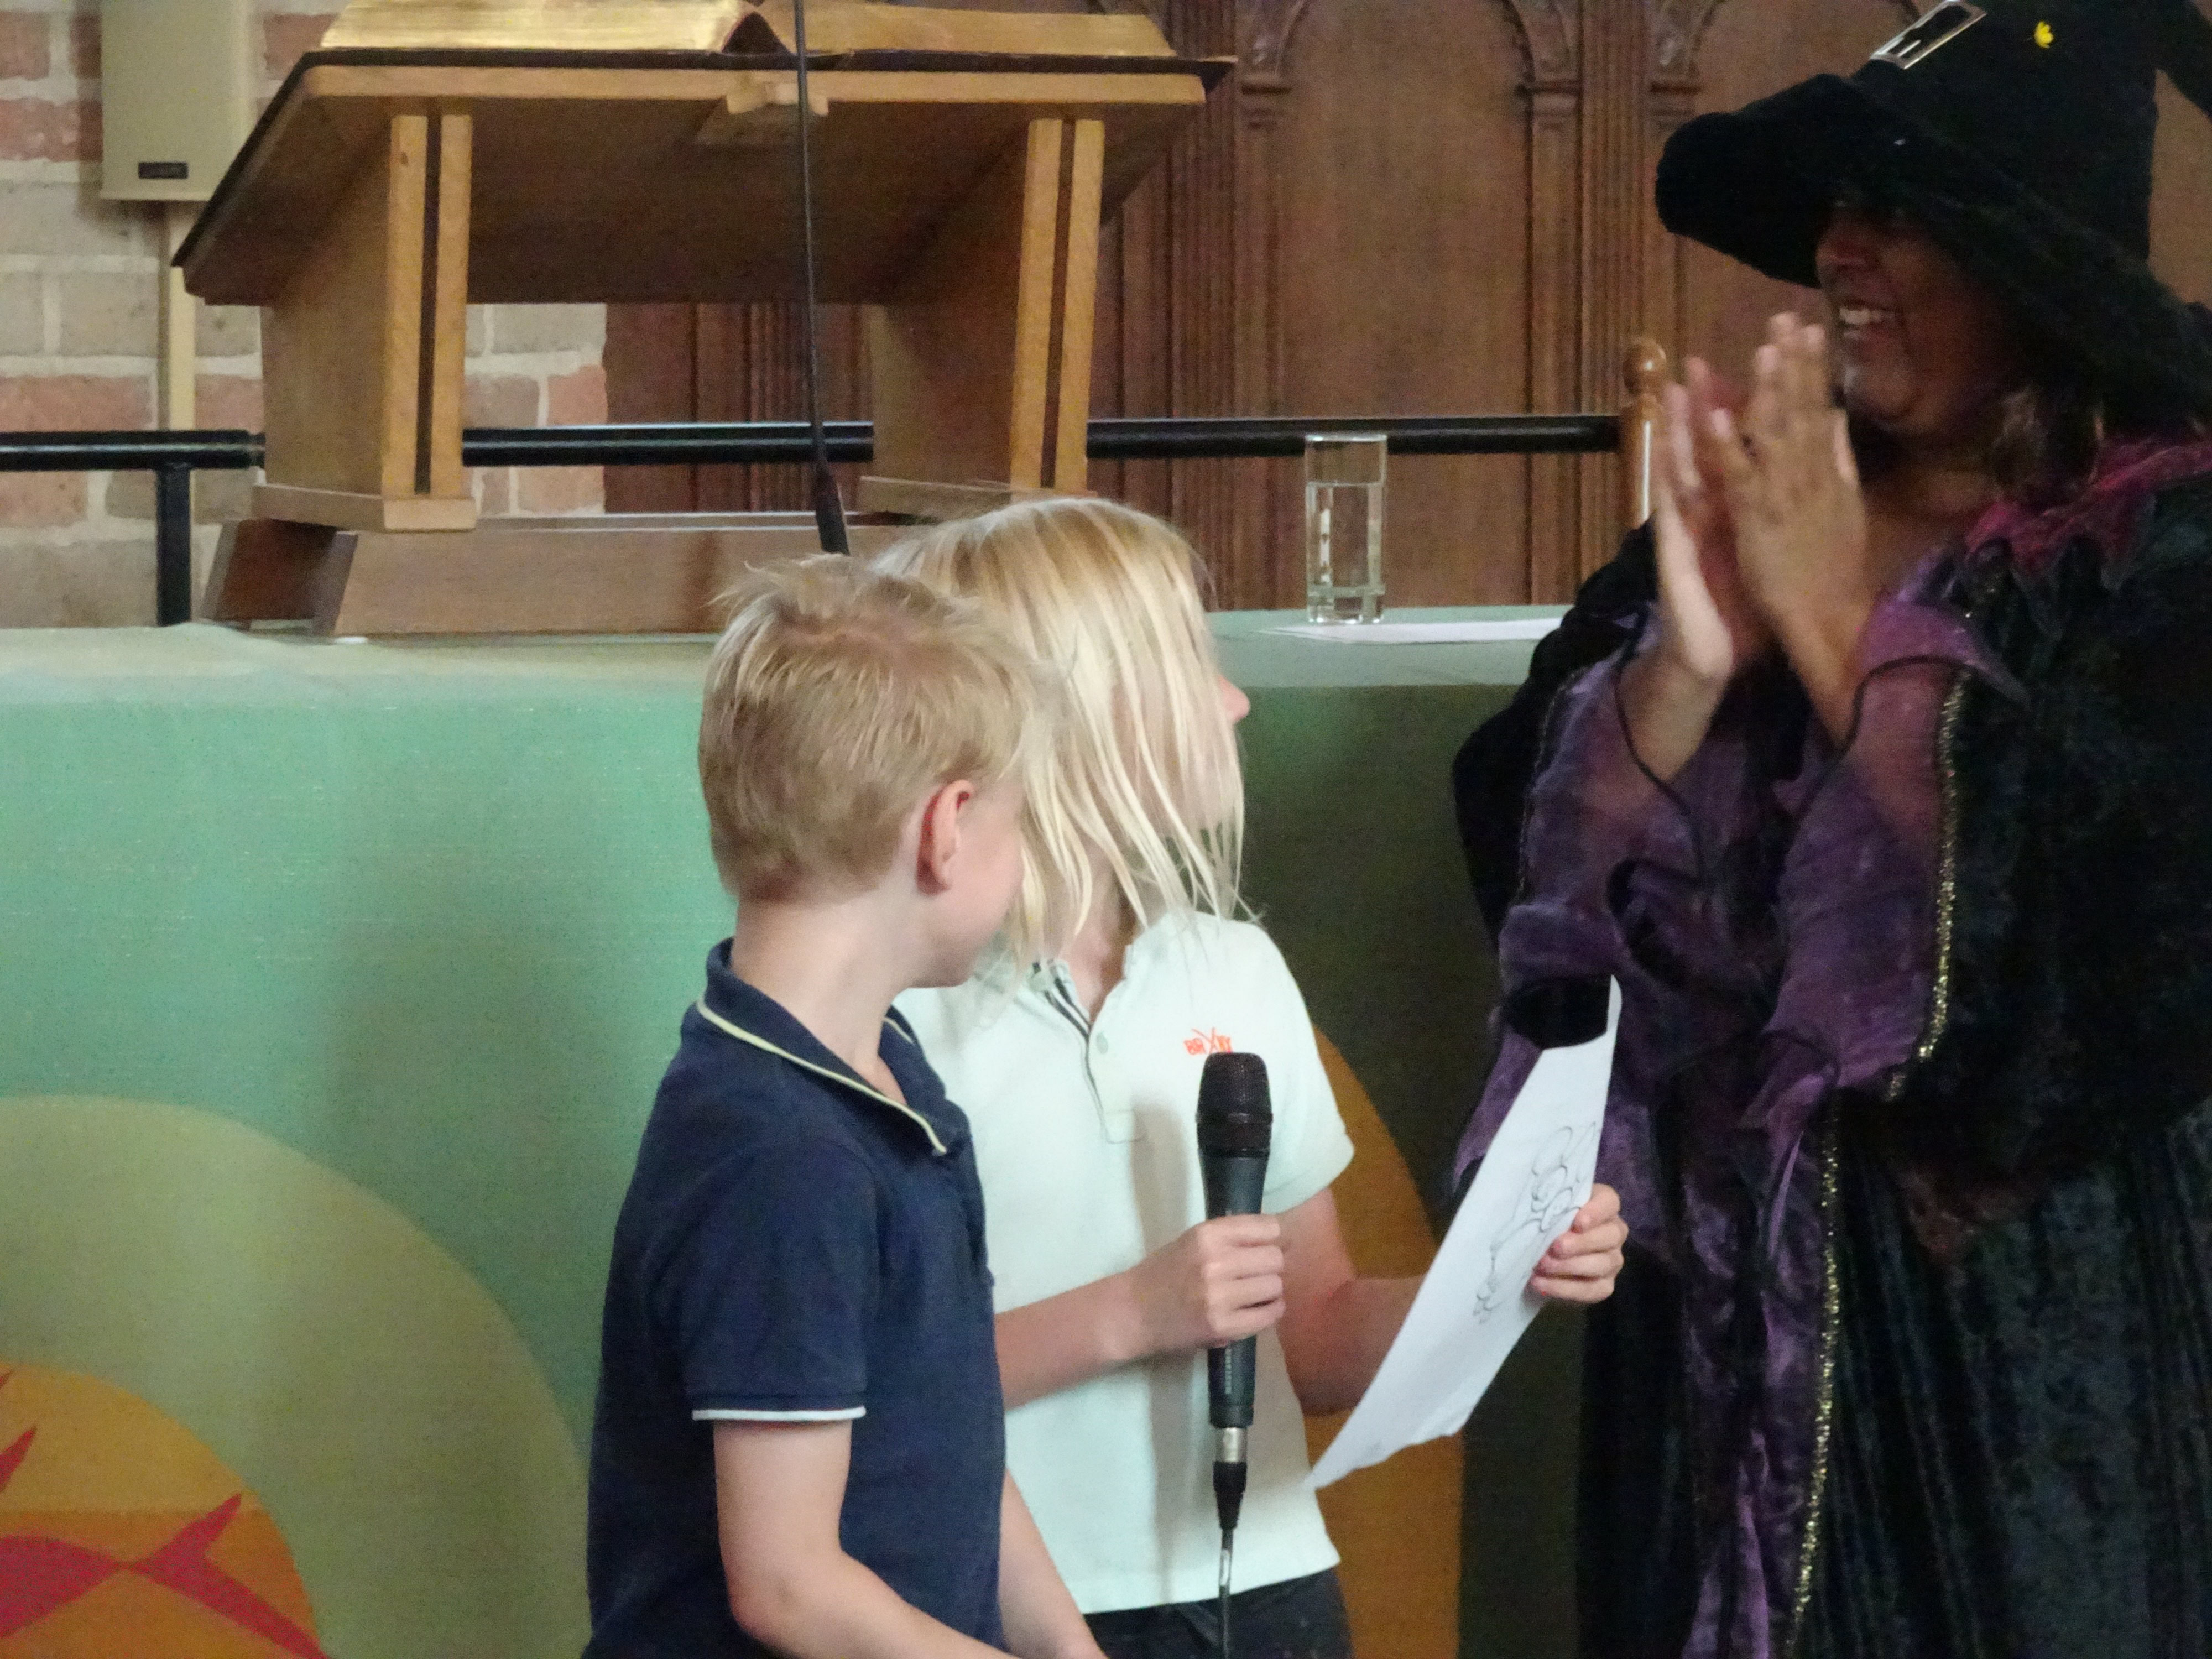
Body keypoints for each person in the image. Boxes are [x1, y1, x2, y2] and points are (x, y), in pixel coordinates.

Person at [1452, 3, 2212, 1656]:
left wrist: (1832, 633)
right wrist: (1683, 668)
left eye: (1899, 212)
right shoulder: (1777, 486)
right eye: (1838, 207)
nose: (1839, 251)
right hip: (1717, 1335)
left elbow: (2111, 946)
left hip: (2019, 1359)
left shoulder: (2162, 549)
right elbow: (1519, 856)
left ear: (2033, 267)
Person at [883, 498, 1631, 1659]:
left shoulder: (1234, 968)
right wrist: (1133, 1313)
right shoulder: (898, 1007)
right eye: (1197, 663)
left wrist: (1502, 1271)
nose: (1235, 703)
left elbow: (1314, 1342)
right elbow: (860, 1387)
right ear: (1089, 709)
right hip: (989, 1607)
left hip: (1264, 1587)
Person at [585, 558, 1104, 1659]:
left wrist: (1068, 1647)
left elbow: (953, 1431)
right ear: (946, 828)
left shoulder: (888, 1075)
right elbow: (788, 1586)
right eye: (1018, 824)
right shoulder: (779, 1158)